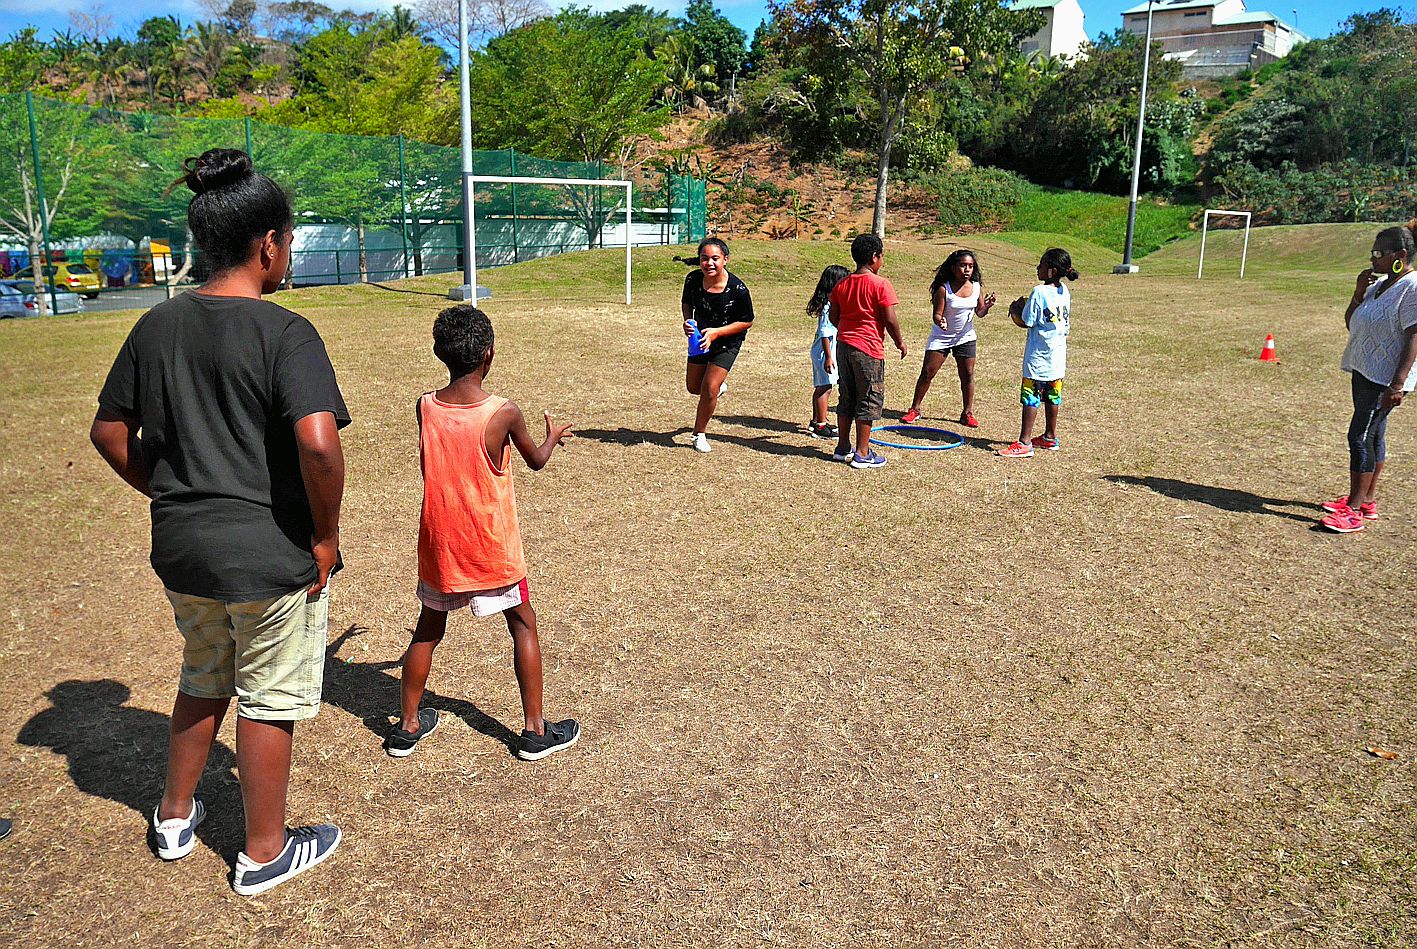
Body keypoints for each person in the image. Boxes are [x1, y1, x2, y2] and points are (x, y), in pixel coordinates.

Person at [89, 148, 347, 895]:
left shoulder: (156, 325)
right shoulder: (285, 331)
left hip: (184, 554)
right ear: (267, 242)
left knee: (204, 672)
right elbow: (319, 443)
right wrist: (324, 536)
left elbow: (109, 433)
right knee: (268, 695)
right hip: (266, 558)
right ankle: (265, 853)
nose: (289, 254)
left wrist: (169, 491)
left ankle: (175, 813)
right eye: (290, 241)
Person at [387, 304, 581, 761]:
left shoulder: (425, 406)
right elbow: (535, 459)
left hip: (441, 543)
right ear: (489, 354)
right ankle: (535, 731)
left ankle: (407, 726)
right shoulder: (503, 412)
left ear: (440, 352)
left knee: (428, 630)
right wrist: (553, 436)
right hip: (490, 544)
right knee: (523, 625)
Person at [1320, 221, 1417, 533]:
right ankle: (1366, 501)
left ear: (1400, 254)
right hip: (1364, 370)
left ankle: (1353, 511)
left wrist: (1399, 384)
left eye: (1379, 253)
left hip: (1385, 379)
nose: (1373, 258)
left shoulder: (1411, 288)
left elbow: (1415, 336)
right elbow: (1353, 323)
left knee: (1359, 437)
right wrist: (1359, 292)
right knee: (1374, 435)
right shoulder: (1379, 286)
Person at [829, 234, 907, 469]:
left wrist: (847, 329)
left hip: (844, 346)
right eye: (881, 256)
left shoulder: (841, 284)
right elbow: (890, 318)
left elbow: (834, 316)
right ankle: (863, 453)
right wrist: (899, 342)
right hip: (868, 349)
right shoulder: (881, 284)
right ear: (875, 257)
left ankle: (843, 447)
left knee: (847, 396)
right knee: (869, 397)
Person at [901, 249, 996, 427]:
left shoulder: (976, 287)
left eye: (970, 266)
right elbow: (936, 314)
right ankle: (915, 409)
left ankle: (967, 413)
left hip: (965, 337)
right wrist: (941, 322)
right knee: (928, 372)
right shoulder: (944, 289)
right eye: (962, 266)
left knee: (967, 375)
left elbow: (980, 312)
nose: (967, 270)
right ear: (953, 268)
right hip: (942, 337)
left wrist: (987, 306)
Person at [998, 248, 1078, 458]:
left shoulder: (1039, 292)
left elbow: (1028, 321)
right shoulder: (1064, 291)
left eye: (1041, 265)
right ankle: (1050, 437)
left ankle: (1024, 442)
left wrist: (1015, 310)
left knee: (1031, 396)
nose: (1037, 268)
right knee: (1053, 396)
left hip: (1038, 357)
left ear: (1051, 271)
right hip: (1058, 357)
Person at [682, 237, 755, 453]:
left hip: (727, 342)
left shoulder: (738, 288)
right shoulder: (693, 279)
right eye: (704, 259)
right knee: (694, 387)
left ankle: (699, 434)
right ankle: (717, 387)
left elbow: (747, 320)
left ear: (726, 260)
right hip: (700, 339)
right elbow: (687, 303)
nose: (709, 263)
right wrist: (688, 321)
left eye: (715, 258)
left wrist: (717, 333)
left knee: (709, 388)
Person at [806, 265, 850, 438]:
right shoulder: (828, 307)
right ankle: (820, 426)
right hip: (825, 352)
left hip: (822, 352)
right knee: (825, 387)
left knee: (821, 386)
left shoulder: (829, 303)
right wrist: (829, 357)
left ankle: (817, 420)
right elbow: (825, 333)